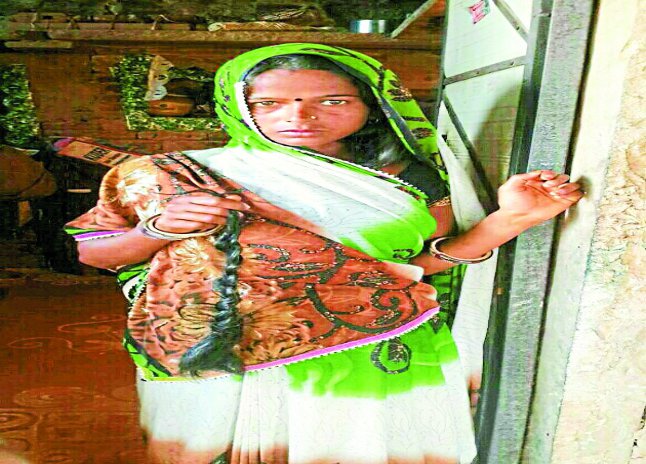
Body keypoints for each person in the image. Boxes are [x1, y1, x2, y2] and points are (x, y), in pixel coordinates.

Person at [66, 43, 583, 464]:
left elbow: (420, 265)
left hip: (373, 353)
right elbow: (95, 254)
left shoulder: (411, 180)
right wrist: (157, 229)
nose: (300, 116)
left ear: (371, 106)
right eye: (269, 104)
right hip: (222, 355)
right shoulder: (170, 174)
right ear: (238, 107)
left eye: (333, 102)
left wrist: (513, 219)